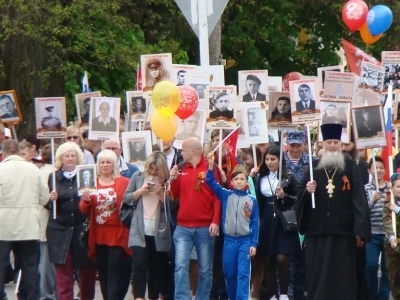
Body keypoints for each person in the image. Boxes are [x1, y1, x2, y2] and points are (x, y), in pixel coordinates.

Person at [295, 123, 371, 300]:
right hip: (317, 232)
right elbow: (298, 196)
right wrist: (308, 190)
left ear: (340, 144)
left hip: (343, 232)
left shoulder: (351, 167)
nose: (332, 146)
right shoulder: (313, 169)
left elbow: (359, 199)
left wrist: (359, 230)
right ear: (322, 144)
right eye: (328, 142)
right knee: (317, 274)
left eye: (335, 142)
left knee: (343, 275)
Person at [169, 137, 221, 300]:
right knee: (180, 266)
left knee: (205, 269)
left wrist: (215, 221)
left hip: (205, 226)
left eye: (183, 150)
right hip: (183, 226)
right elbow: (173, 195)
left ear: (192, 151)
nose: (181, 153)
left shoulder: (211, 168)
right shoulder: (181, 167)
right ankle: (182, 298)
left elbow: (217, 197)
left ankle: (202, 298)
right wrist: (174, 179)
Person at [47, 142, 97, 300]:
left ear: (78, 157)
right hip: (60, 230)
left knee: (87, 272)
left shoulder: (86, 173)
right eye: (66, 156)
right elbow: (49, 206)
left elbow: (94, 202)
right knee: (63, 274)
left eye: (72, 155)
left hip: (82, 229)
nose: (69, 158)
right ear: (61, 159)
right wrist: (51, 199)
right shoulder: (53, 177)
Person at [0, 140, 49, 300]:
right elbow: (44, 197)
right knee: (30, 268)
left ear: (4, 153)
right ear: (19, 151)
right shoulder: (33, 169)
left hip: (3, 226)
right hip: (28, 225)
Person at [205, 154, 259, 300]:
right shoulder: (226, 195)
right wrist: (210, 166)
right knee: (229, 273)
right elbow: (209, 181)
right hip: (229, 241)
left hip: (245, 241)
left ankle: (242, 298)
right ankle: (232, 296)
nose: (239, 181)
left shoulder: (251, 200)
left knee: (243, 273)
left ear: (246, 181)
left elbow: (255, 222)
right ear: (231, 182)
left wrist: (254, 243)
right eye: (236, 179)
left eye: (242, 178)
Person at [79, 150, 131, 300]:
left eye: (108, 162)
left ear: (114, 164)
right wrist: (86, 199)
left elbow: (129, 204)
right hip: (99, 233)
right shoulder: (91, 182)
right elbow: (83, 208)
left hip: (118, 232)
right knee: (102, 271)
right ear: (98, 164)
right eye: (102, 162)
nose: (105, 165)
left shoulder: (124, 182)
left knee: (114, 268)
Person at [251, 145, 299, 300]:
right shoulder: (260, 177)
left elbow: (298, 199)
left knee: (282, 257)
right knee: (267, 258)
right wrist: (251, 178)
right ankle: (272, 295)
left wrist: (285, 196)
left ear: (280, 160)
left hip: (282, 219)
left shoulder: (289, 177)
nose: (269, 162)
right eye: (267, 159)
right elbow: (254, 197)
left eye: (273, 159)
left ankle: (284, 293)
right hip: (266, 219)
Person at [123, 151, 171, 300]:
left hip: (159, 229)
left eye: (156, 169)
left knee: (156, 267)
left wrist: (160, 194)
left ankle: (153, 296)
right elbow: (126, 198)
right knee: (138, 266)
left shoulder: (167, 180)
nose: (153, 172)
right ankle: (138, 297)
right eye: (151, 168)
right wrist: (139, 192)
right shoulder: (138, 177)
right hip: (139, 227)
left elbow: (172, 205)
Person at [364, 156, 390, 300]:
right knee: (372, 265)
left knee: (387, 269)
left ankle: (383, 296)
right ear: (369, 170)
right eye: (375, 167)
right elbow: (363, 212)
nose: (378, 170)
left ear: (385, 170)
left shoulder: (390, 187)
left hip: (387, 234)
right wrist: (373, 200)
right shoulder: (365, 189)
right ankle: (371, 296)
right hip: (371, 234)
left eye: (381, 168)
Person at [383, 173, 400, 300]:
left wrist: (398, 210)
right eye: (398, 187)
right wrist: (391, 237)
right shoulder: (388, 202)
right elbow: (387, 220)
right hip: (392, 245)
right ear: (392, 188)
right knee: (394, 278)